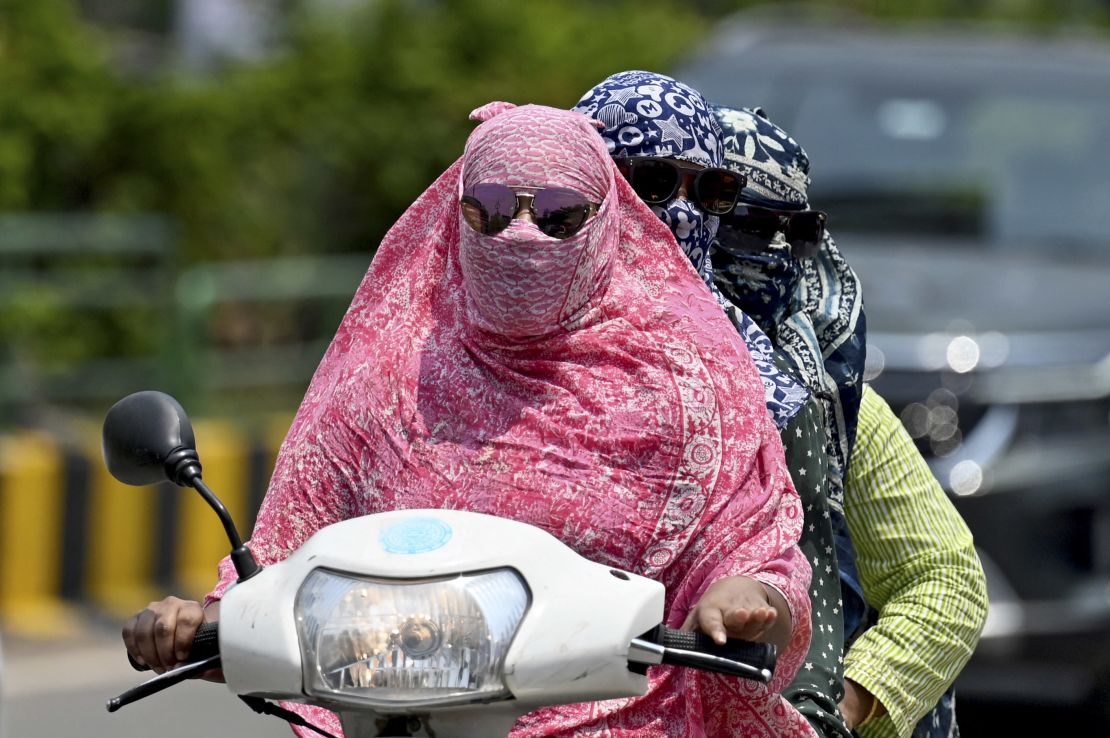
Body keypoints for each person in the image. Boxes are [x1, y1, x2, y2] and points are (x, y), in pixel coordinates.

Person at [124, 102, 818, 737]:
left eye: (557, 215)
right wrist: (204, 621)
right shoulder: (386, 376)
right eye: (487, 210)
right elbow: (286, 554)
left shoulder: (691, 387)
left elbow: (755, 549)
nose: (519, 236)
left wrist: (751, 595)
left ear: (607, 219)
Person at [573, 71, 988, 738]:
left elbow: (941, 579)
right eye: (737, 223)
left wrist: (841, 708)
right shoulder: (510, 367)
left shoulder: (818, 399)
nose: (765, 251)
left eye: (789, 231)